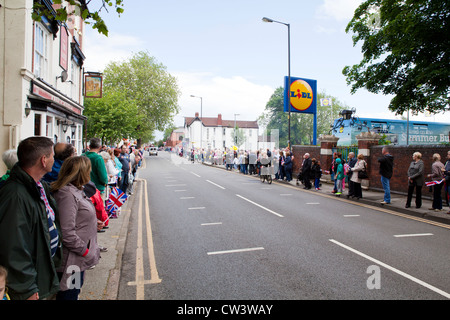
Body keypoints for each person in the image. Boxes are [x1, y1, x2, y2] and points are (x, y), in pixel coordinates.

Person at [0, 136, 61, 300]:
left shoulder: (36, 186)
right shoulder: (15, 195)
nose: (54, 159)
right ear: (43, 160)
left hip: (41, 272)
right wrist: (26, 288)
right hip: (28, 285)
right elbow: (13, 246)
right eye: (52, 156)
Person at [51, 156, 101, 300]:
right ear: (81, 173)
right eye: (88, 171)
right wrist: (85, 251)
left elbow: (77, 216)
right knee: (69, 295)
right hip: (72, 260)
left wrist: (92, 222)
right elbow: (67, 233)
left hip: (77, 259)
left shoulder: (75, 190)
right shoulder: (66, 194)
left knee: (74, 292)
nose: (90, 174)